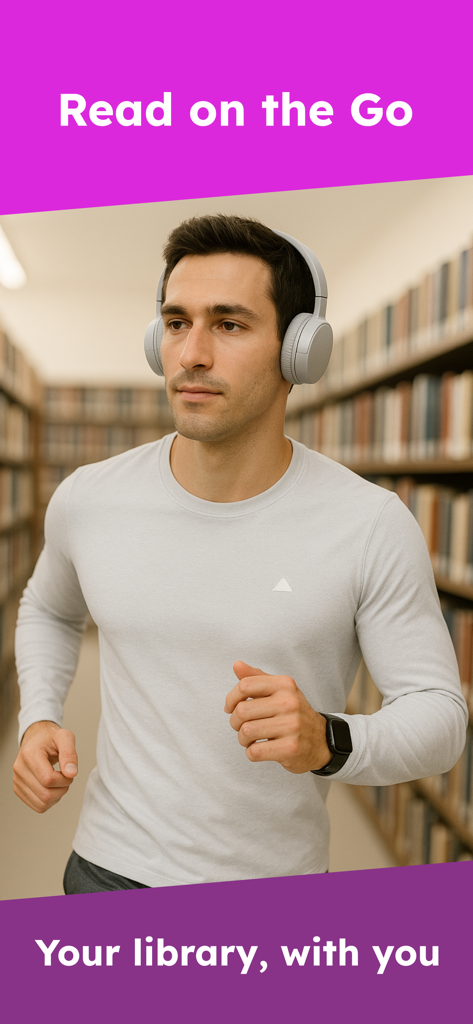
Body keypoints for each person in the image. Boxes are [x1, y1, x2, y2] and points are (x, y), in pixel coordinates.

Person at [13, 214, 467, 893]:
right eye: (174, 323)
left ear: (298, 352)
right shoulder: (89, 498)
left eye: (228, 325)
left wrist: (329, 740)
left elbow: (438, 718)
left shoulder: (368, 522)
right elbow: (47, 608)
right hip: (103, 870)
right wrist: (40, 714)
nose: (191, 353)